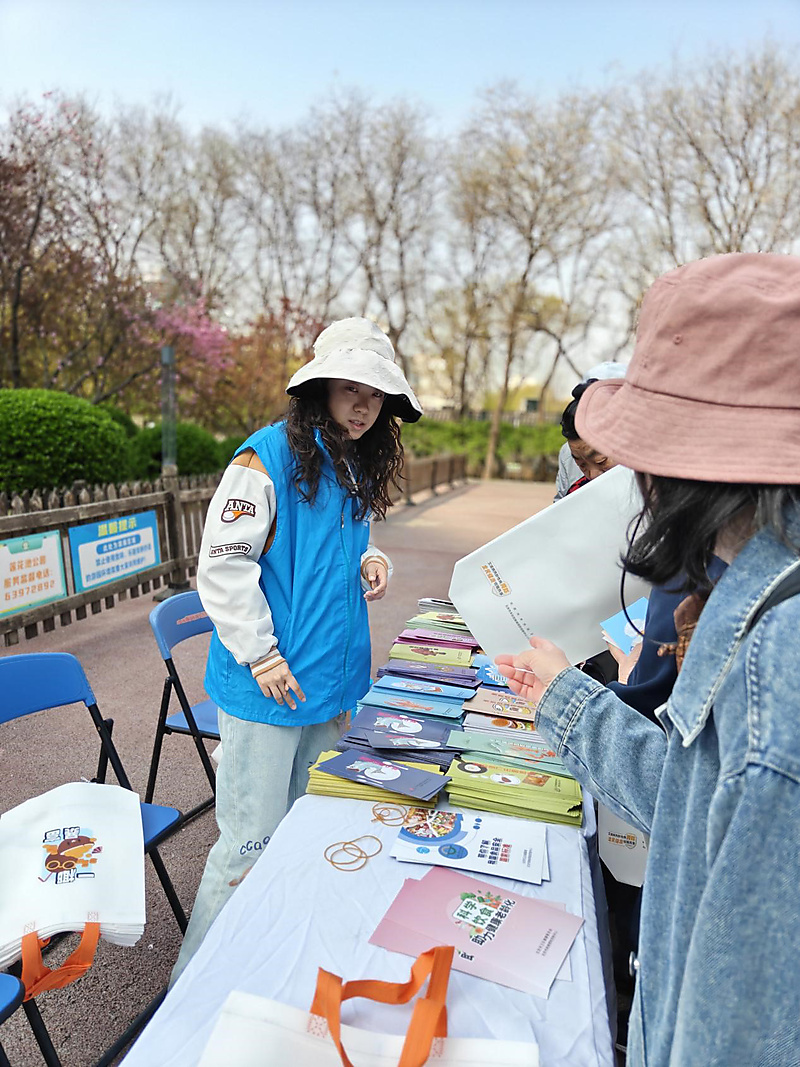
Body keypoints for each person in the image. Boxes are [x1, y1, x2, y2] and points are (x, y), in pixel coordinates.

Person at [496, 253, 800, 1067]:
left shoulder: (779, 656)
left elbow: (737, 1028)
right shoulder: (760, 600)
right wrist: (565, 700)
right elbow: (698, 808)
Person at [171, 317, 422, 983]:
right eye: (350, 389)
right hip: (269, 684)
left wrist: (370, 559)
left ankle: (270, 965)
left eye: (376, 395)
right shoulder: (263, 458)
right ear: (319, 389)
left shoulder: (351, 461)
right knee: (247, 845)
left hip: (331, 681)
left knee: (309, 829)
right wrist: (260, 653)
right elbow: (224, 566)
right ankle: (191, 989)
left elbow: (338, 543)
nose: (363, 405)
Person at [554, 361, 626, 500]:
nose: (592, 476)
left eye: (601, 461)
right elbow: (562, 504)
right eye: (581, 465)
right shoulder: (569, 452)